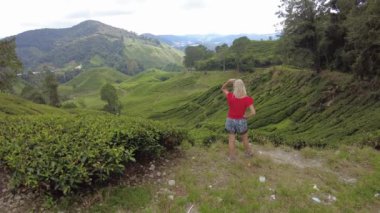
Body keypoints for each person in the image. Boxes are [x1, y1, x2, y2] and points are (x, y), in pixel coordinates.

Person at [221, 78, 256, 160]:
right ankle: (248, 153)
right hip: (241, 120)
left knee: (231, 140)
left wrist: (228, 81)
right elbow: (253, 112)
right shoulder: (247, 99)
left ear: (234, 87)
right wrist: (246, 116)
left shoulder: (230, 96)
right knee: (244, 138)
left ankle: (232, 157)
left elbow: (223, 88)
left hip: (230, 120)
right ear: (243, 86)